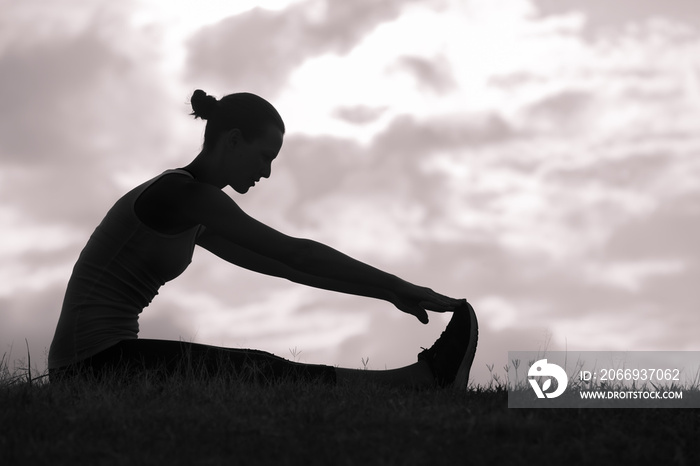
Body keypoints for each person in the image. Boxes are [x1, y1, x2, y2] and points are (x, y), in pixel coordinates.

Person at [48, 90, 478, 389]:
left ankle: (417, 381)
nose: (267, 172)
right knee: (254, 369)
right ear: (233, 141)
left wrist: (386, 294)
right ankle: (418, 383)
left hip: (107, 358)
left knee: (253, 369)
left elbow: (288, 267)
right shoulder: (182, 195)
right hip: (90, 367)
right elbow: (296, 252)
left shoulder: (195, 208)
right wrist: (401, 286)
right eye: (264, 156)